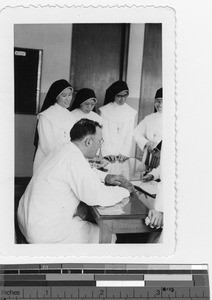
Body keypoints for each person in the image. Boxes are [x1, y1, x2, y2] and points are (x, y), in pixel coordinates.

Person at [17, 119, 134, 244]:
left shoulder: (63, 149)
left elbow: (82, 171)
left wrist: (105, 177)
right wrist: (124, 190)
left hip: (27, 220)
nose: (101, 145)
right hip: (44, 232)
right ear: (88, 141)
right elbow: (98, 196)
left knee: (84, 214)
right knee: (109, 236)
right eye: (100, 141)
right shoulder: (74, 159)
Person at [33, 79, 76, 174]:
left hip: (67, 161)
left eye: (70, 95)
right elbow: (46, 145)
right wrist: (60, 160)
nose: (68, 98)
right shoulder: (45, 116)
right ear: (56, 97)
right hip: (48, 160)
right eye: (64, 95)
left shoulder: (72, 116)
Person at [99, 80, 137, 162]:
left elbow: (129, 135)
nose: (123, 99)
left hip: (123, 155)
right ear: (114, 95)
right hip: (108, 154)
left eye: (125, 95)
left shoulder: (131, 112)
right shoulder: (105, 111)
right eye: (119, 96)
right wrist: (108, 152)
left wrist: (124, 152)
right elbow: (104, 133)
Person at [133, 87, 163, 167]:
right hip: (148, 154)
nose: (160, 104)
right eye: (158, 101)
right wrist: (147, 143)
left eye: (163, 101)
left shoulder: (173, 119)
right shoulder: (149, 118)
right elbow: (136, 132)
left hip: (163, 156)